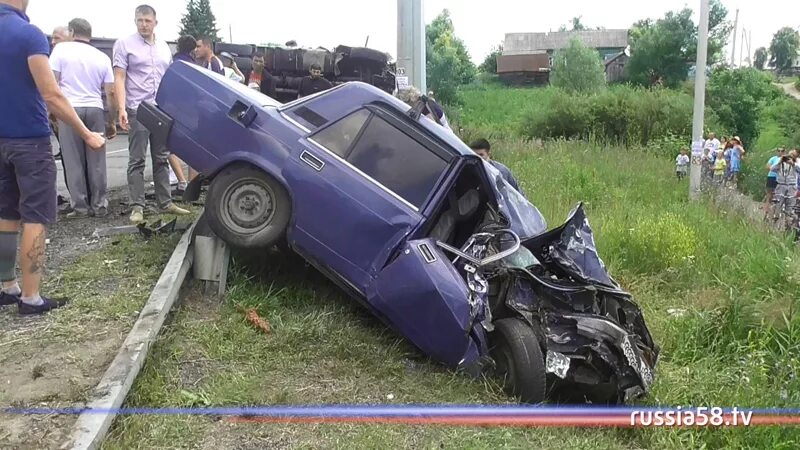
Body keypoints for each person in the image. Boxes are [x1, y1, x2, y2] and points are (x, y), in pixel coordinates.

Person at [1, 0, 105, 314]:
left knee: (5, 212)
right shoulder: (28, 34)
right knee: (35, 214)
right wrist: (87, 134)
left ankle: (7, 286)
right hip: (29, 140)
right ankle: (31, 298)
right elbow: (51, 93)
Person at [113, 4, 190, 223]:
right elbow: (119, 77)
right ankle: (138, 206)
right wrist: (121, 108)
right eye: (140, 20)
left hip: (162, 110)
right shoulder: (124, 44)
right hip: (139, 108)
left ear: (155, 22)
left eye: (147, 20)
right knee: (137, 159)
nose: (144, 24)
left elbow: (170, 79)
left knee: (161, 158)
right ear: (135, 21)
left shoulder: (164, 47)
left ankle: (165, 202)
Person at [50, 17, 116, 219]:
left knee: (73, 160)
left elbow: (53, 83)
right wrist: (111, 120)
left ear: (71, 32)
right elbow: (110, 92)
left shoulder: (61, 50)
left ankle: (80, 207)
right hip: (95, 108)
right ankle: (99, 205)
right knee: (97, 160)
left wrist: (52, 112)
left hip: (69, 110)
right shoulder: (102, 57)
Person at [765, 148, 785, 213]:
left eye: (782, 151)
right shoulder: (773, 158)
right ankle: (767, 210)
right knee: (769, 195)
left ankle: (775, 211)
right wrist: (773, 168)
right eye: (779, 151)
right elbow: (767, 166)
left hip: (780, 178)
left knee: (778, 195)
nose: (780, 152)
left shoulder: (785, 159)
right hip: (772, 176)